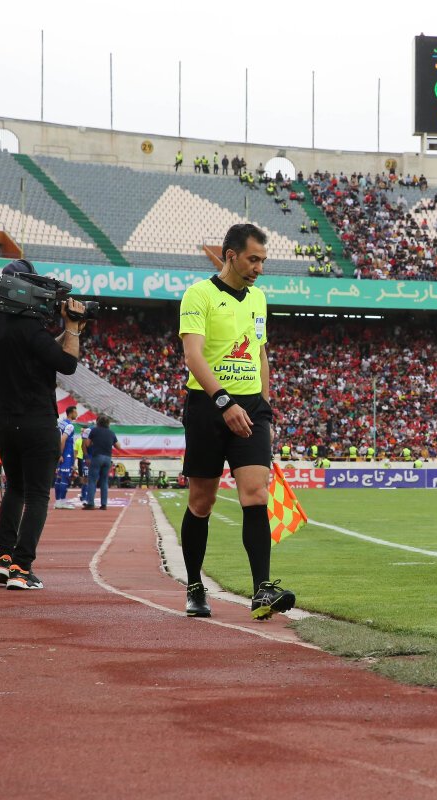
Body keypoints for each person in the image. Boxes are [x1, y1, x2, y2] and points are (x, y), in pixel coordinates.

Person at [178, 223, 295, 620]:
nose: (259, 268)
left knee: (256, 494)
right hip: (208, 406)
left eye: (263, 260)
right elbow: (193, 356)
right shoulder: (199, 295)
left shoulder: (258, 298)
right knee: (202, 502)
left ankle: (262, 590)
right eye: (253, 259)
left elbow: (261, 354)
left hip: (252, 408)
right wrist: (224, 402)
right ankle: (194, 586)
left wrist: (266, 408)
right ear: (230, 256)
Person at [0, 258, 87, 590]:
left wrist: (64, 333)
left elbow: (39, 352)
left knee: (14, 488)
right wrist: (72, 329)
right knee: (38, 495)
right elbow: (67, 364)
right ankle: (21, 567)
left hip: (5, 421)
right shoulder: (30, 327)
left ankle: (3, 559)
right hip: (36, 421)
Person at [81, 415, 119, 510]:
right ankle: (104, 504)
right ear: (108, 423)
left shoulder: (94, 430)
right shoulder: (111, 433)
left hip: (97, 457)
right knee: (104, 481)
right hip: (107, 458)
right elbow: (119, 446)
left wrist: (94, 442)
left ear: (98, 422)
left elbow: (87, 444)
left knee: (92, 480)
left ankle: (91, 503)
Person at [53, 406, 79, 509]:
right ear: (71, 413)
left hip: (63, 452)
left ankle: (59, 501)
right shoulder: (69, 426)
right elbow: (63, 439)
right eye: (75, 412)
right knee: (64, 477)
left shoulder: (61, 423)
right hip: (66, 453)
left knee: (59, 477)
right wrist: (60, 454)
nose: (77, 414)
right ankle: (61, 501)